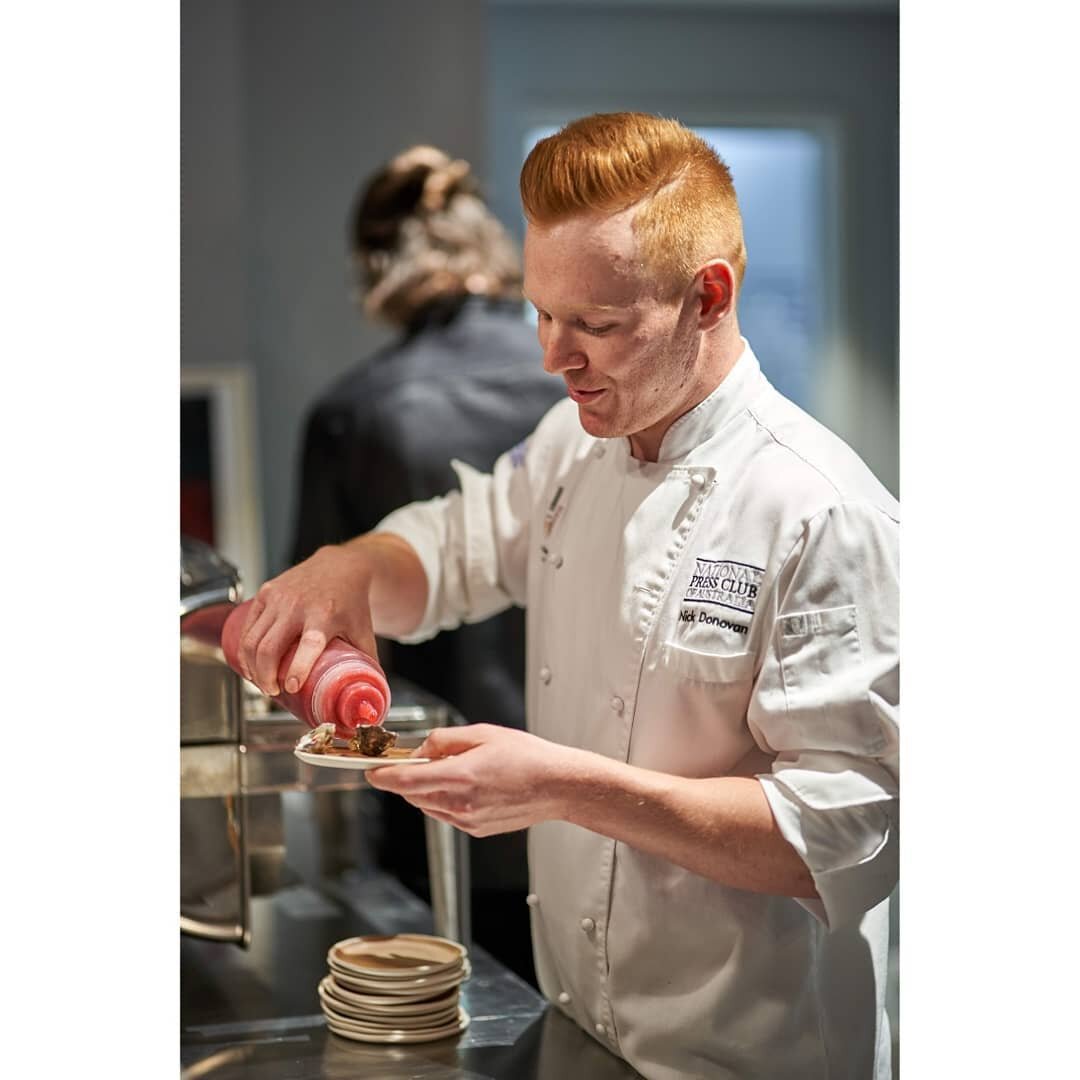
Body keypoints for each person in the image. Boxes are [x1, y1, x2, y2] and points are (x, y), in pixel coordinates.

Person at [243, 113, 899, 1079]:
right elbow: (452, 544)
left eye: (597, 324)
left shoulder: (822, 513)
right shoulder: (571, 444)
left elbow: (832, 840)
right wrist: (349, 566)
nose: (556, 356)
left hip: (753, 1060)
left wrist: (560, 787)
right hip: (584, 1033)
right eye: (542, 314)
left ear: (709, 296)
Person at [288, 145, 564, 985]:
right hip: (588, 794)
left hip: (433, 802)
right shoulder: (578, 390)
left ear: (375, 267)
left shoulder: (354, 411)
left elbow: (318, 631)